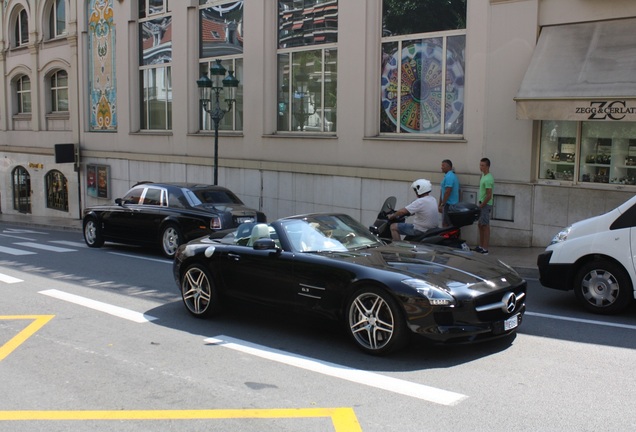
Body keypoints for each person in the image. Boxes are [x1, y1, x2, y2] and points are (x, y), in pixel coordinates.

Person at [474, 158, 494, 255]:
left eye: (483, 165)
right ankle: (481, 246)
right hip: (482, 203)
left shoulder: (488, 178)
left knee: (485, 226)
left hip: (485, 204)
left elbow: (489, 194)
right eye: (480, 165)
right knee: (480, 225)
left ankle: (485, 249)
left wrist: (482, 205)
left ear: (487, 166)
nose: (481, 167)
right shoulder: (483, 175)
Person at [438, 159, 460, 227]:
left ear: (449, 167)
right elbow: (443, 191)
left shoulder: (449, 176)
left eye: (443, 166)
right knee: (447, 223)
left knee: (446, 224)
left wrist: (442, 204)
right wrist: (440, 203)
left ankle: (447, 237)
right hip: (449, 204)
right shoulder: (448, 176)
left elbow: (448, 191)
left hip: (449, 205)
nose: (441, 167)